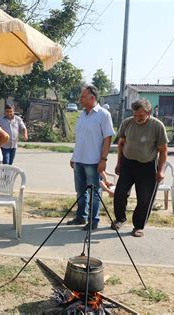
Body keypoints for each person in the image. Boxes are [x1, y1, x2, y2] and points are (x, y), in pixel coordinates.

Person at [111, 99, 168, 237]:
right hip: (127, 164)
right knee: (120, 193)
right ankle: (120, 219)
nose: (137, 119)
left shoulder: (157, 126)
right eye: (135, 115)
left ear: (148, 112)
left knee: (144, 198)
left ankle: (138, 226)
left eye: (141, 116)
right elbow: (121, 144)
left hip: (147, 165)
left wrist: (160, 171)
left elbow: (163, 150)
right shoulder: (127, 123)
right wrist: (119, 163)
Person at [67, 85, 114, 230]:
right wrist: (74, 156)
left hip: (93, 161)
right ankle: (81, 216)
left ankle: (93, 221)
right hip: (79, 160)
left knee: (94, 193)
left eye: (83, 97)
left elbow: (108, 138)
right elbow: (80, 138)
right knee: (80, 191)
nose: (80, 99)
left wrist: (103, 160)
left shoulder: (103, 114)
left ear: (92, 98)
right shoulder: (82, 114)